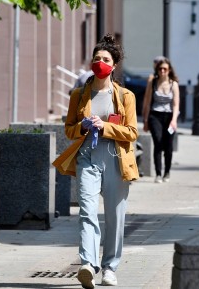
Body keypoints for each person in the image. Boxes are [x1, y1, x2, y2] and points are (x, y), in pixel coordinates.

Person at [52, 33, 139, 289]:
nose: (99, 62)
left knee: (114, 217)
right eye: (96, 58)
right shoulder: (79, 94)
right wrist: (83, 126)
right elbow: (68, 129)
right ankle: (88, 264)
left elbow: (132, 132)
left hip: (115, 157)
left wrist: (105, 128)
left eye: (105, 59)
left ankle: (110, 267)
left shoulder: (125, 96)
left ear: (113, 65)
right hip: (87, 157)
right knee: (87, 213)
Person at [142, 57, 180, 183]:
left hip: (169, 117)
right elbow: (147, 102)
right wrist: (146, 120)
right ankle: (158, 173)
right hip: (155, 115)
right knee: (158, 142)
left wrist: (174, 120)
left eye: (165, 69)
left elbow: (176, 104)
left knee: (168, 146)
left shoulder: (173, 84)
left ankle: (167, 172)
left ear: (169, 70)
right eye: (160, 69)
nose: (162, 71)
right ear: (157, 70)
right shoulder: (152, 83)